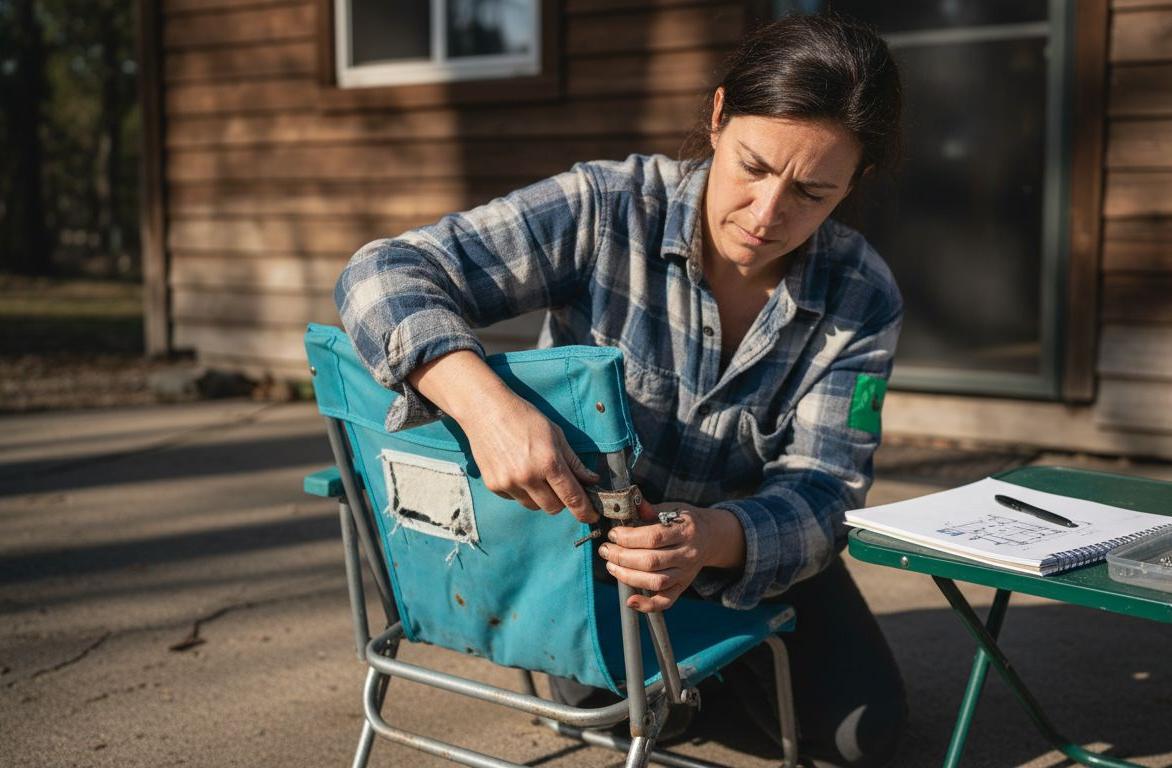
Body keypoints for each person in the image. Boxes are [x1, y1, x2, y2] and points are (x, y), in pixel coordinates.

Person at [335, 13, 907, 767]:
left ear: (856, 184)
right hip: (589, 555)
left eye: (812, 192)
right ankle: (691, 672)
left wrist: (711, 539)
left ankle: (723, 660)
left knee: (865, 741)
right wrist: (483, 406)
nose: (767, 216)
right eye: (754, 167)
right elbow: (380, 273)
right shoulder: (606, 208)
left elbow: (827, 489)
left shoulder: (862, 294)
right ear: (718, 115)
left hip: (740, 550)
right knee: (623, 719)